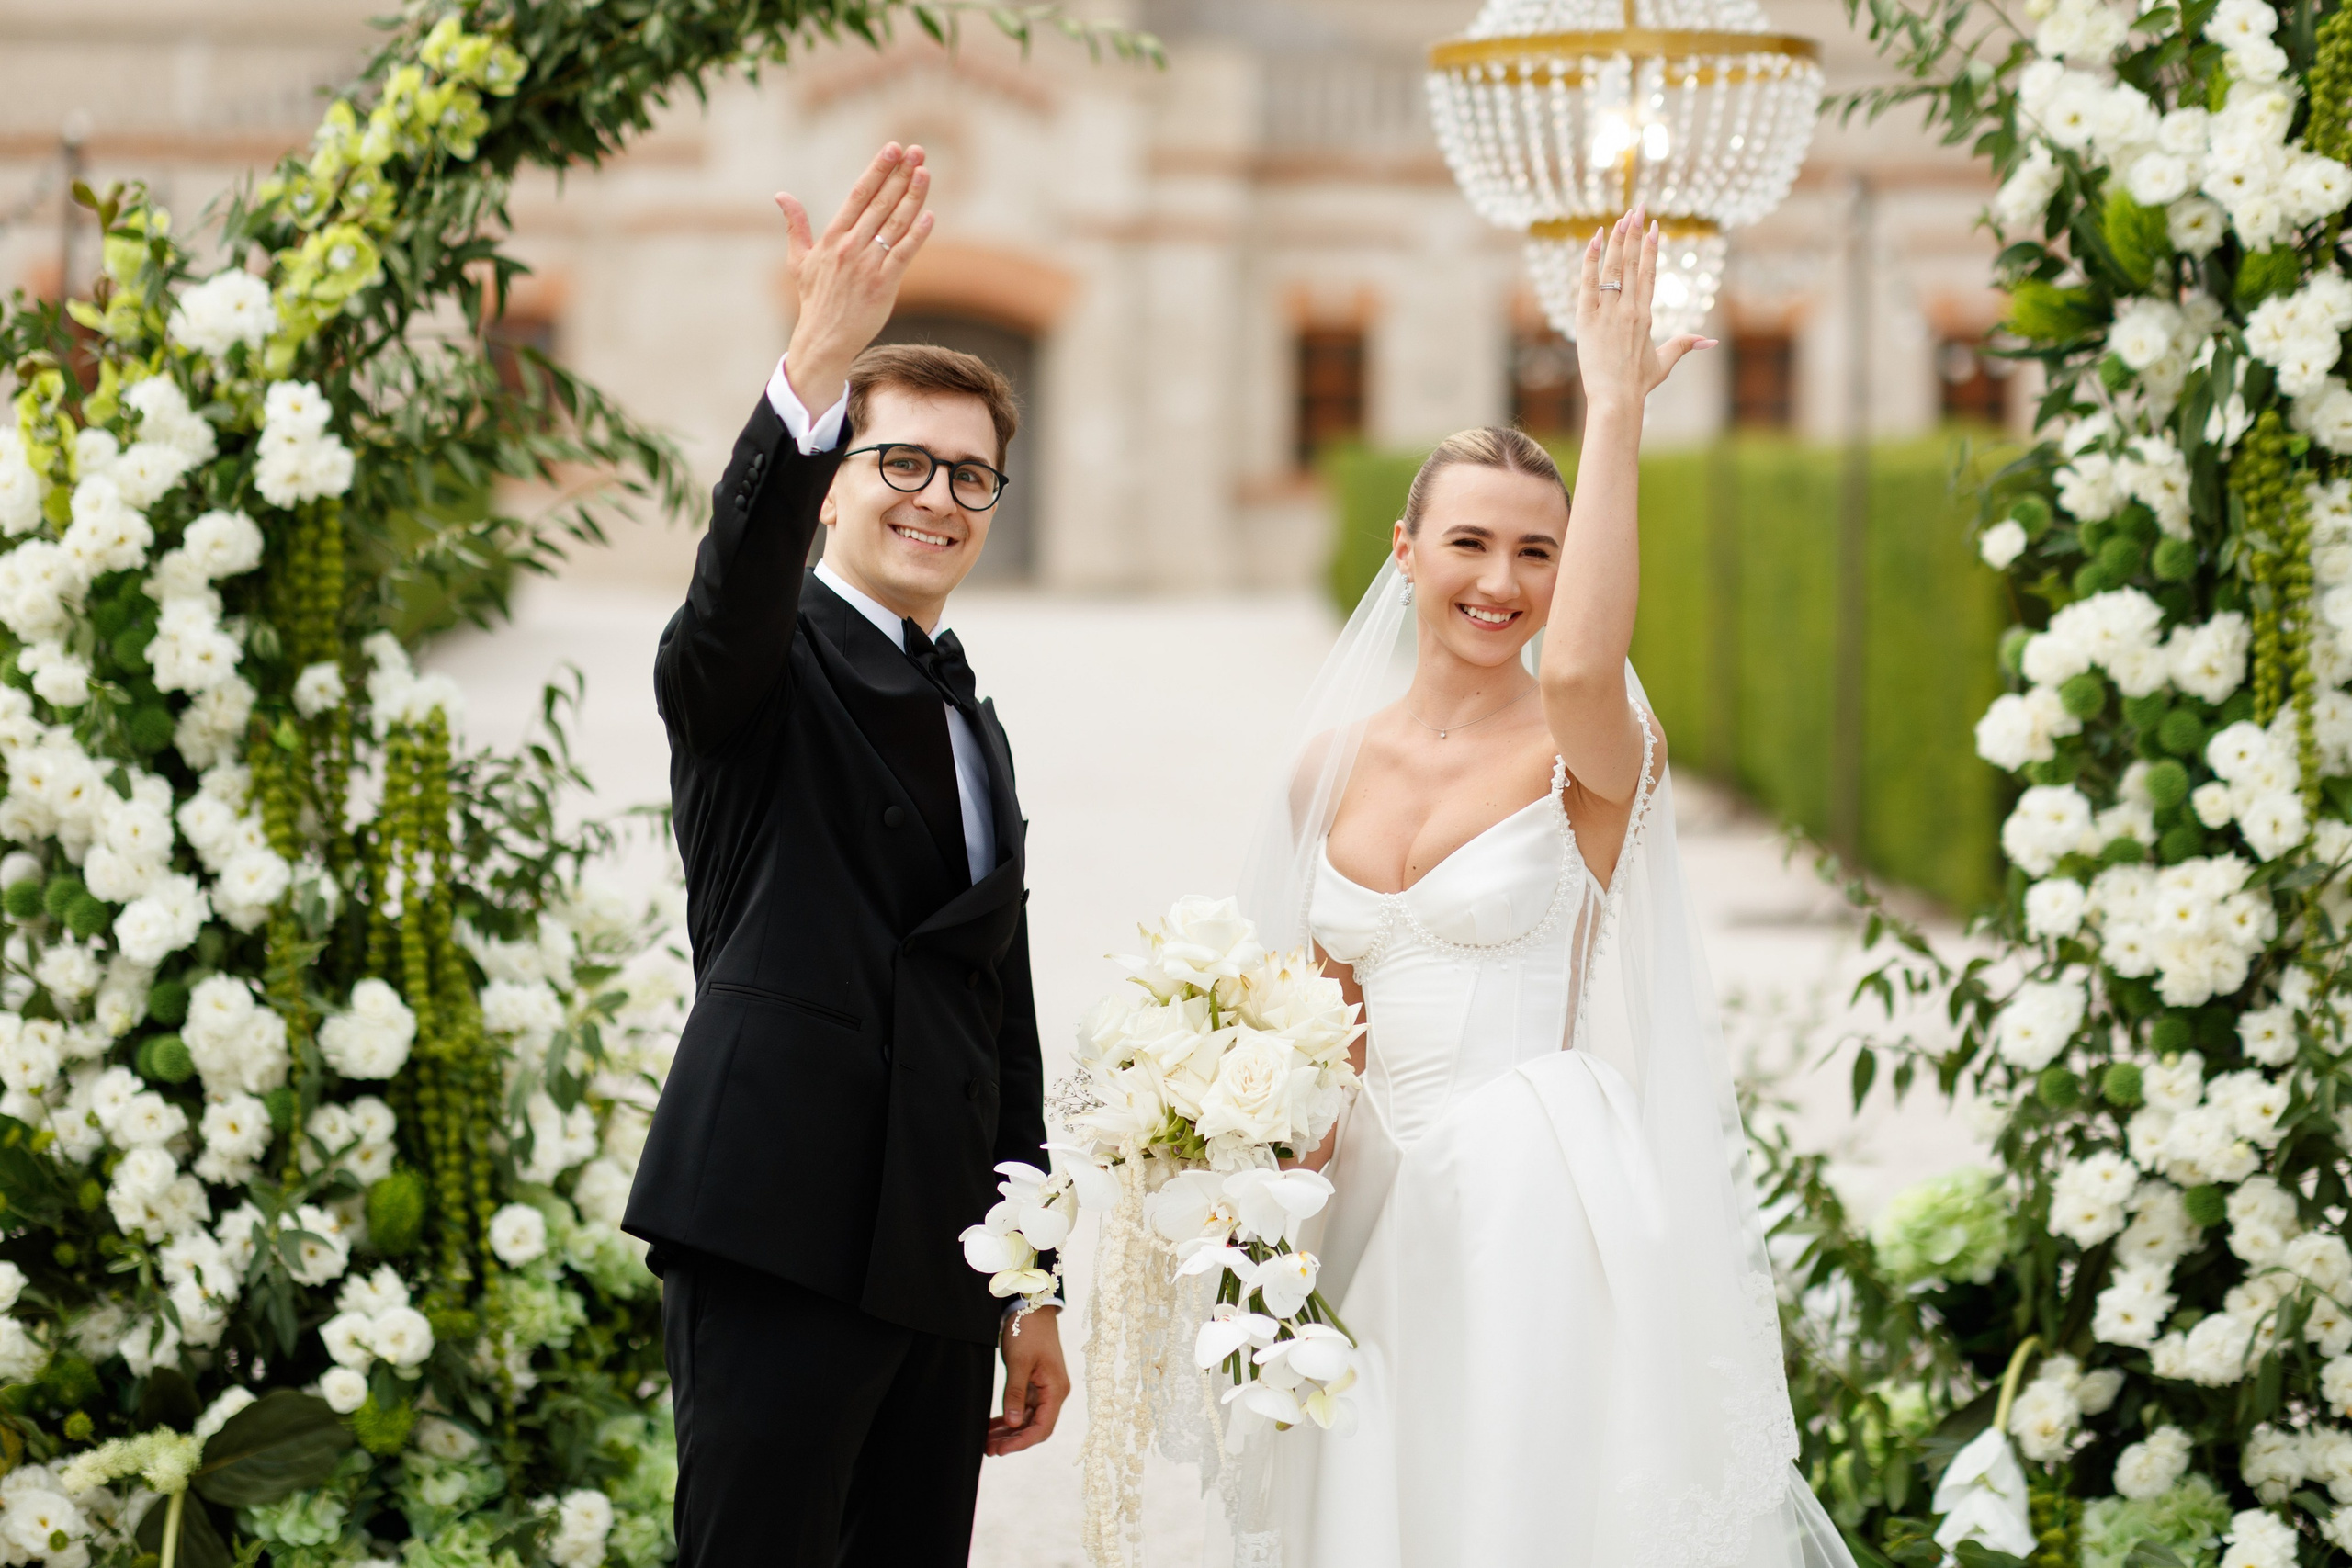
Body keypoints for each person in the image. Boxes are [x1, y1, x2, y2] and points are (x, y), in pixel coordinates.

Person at [1221, 209, 1858, 1568]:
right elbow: (1321, 1044)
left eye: (1537, 552)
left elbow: (1577, 667)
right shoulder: (1323, 772)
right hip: (1368, 1233)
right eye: (1470, 544)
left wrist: (1613, 404)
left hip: (1525, 1198)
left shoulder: (1595, 756)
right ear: (1404, 551)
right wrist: (1259, 1215)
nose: (1500, 581)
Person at [621, 142, 1069, 1568]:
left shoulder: (974, 722)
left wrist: (1032, 1280)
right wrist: (814, 360)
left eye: (973, 478)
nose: (938, 497)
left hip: (940, 1258)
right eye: (902, 462)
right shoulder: (752, 674)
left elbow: (1001, 1018)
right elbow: (730, 589)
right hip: (779, 1225)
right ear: (831, 481)